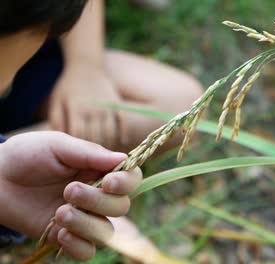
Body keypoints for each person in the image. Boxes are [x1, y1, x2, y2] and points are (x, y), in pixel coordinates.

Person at [0, 0, 202, 261]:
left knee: (181, 103)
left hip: (29, 51)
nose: (6, 87)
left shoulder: (25, 39)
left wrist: (85, 67)